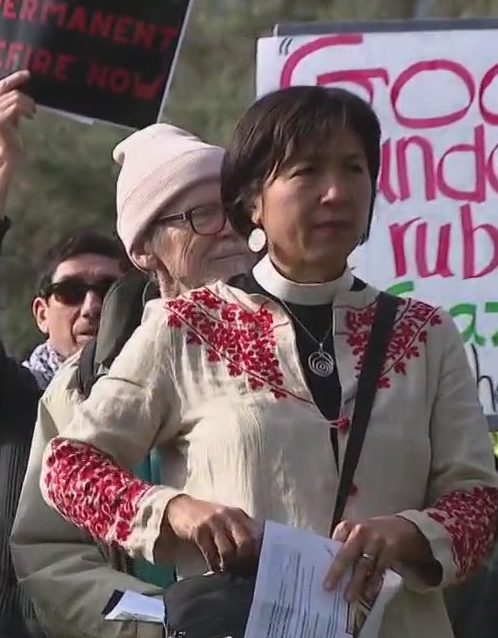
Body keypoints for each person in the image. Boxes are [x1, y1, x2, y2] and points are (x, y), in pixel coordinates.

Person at [38, 85, 498, 637]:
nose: (336, 192)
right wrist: (176, 511)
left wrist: (403, 533)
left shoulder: (426, 333)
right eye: (307, 171)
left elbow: (478, 503)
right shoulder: (184, 327)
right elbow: (69, 468)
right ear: (252, 201)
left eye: (354, 168)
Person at [10, 123, 255, 637]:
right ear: (145, 248)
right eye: (201, 214)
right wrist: (163, 623)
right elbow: (51, 552)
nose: (228, 227)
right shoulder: (81, 386)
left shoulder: (300, 345)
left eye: (234, 208)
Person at [0, 70, 129, 637]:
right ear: (42, 313)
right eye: (70, 291)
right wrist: (0, 162)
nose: (90, 306)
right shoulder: (8, 401)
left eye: (109, 291)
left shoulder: (154, 401)